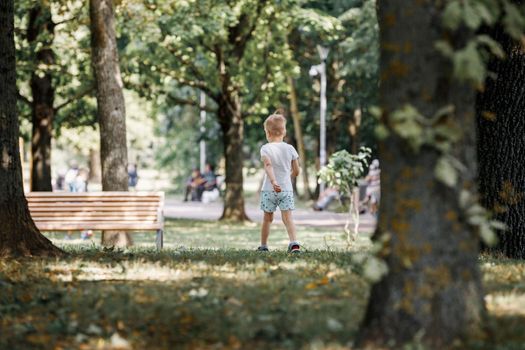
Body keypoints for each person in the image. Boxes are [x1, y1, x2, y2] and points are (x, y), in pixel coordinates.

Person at [258, 111, 301, 253]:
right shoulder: (290, 149)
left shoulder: (265, 148)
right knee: (288, 218)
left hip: (269, 190)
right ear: (284, 131)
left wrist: (273, 180)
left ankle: (263, 245)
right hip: (286, 190)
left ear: (268, 133)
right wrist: (289, 177)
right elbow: (297, 170)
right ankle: (294, 243)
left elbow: (268, 165)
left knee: (267, 219)